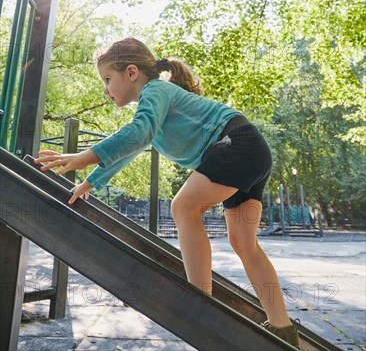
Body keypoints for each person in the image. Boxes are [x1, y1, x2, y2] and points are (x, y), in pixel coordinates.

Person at [35, 36, 299, 348]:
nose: (105, 90)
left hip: (236, 146)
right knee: (244, 243)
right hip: (251, 152)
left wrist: (83, 156)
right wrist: (91, 181)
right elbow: (131, 146)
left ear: (131, 73)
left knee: (183, 207)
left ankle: (200, 304)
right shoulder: (154, 108)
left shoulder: (155, 90)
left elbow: (137, 134)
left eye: (108, 79)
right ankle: (283, 328)